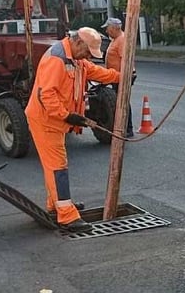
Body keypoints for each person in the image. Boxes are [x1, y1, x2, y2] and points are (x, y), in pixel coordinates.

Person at [25, 27, 120, 234]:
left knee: (56, 165)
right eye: (87, 52)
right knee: (57, 167)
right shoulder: (56, 60)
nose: (88, 57)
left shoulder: (75, 58)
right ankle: (66, 216)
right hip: (45, 121)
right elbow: (46, 96)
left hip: (54, 121)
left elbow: (95, 72)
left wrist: (119, 76)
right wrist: (68, 116)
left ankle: (56, 205)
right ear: (78, 43)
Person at [103, 17, 134, 137]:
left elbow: (125, 60)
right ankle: (124, 127)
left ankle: (128, 129)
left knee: (123, 102)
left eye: (108, 28)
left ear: (115, 28)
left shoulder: (121, 40)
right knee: (120, 101)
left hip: (121, 76)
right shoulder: (116, 39)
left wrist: (123, 77)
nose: (106, 31)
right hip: (116, 76)